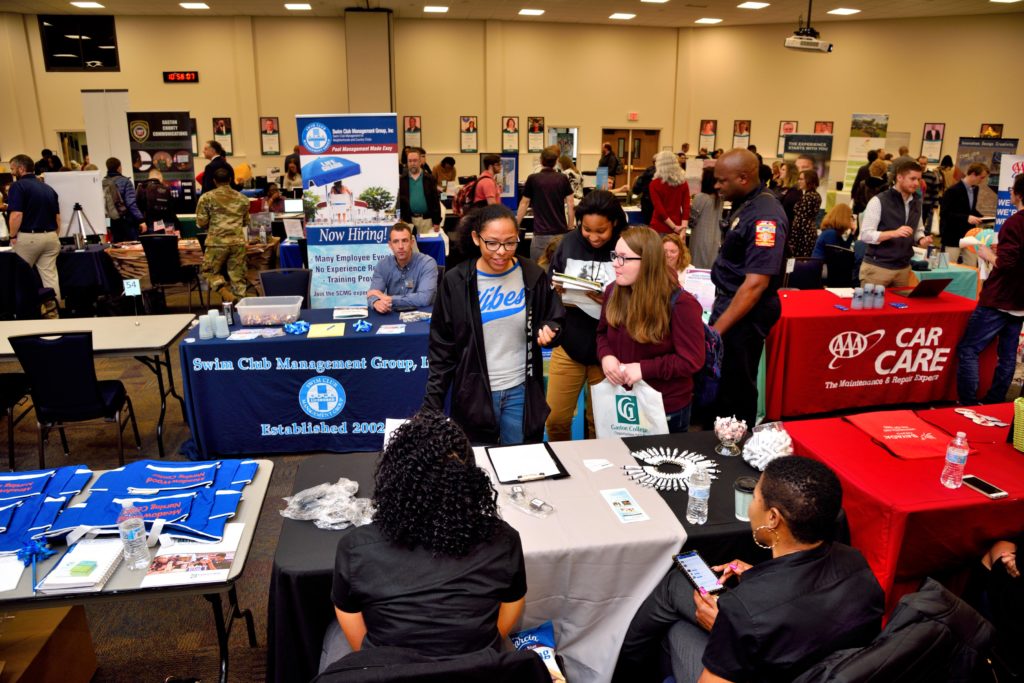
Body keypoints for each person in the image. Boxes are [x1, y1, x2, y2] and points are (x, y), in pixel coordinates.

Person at [613, 456, 884, 683]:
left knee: (676, 631)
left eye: (754, 496)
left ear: (773, 518)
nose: (752, 504)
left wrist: (727, 629)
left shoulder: (746, 609)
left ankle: (621, 673)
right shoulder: (856, 563)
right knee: (675, 586)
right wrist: (760, 580)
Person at [327, 411, 526, 661]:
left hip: (391, 675)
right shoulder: (504, 540)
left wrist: (374, 665)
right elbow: (513, 602)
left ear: (393, 478)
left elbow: (349, 617)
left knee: (331, 635)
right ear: (470, 478)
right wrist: (481, 652)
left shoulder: (356, 548)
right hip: (475, 673)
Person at [422, 205, 564, 445]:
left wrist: (551, 329)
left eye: (510, 243)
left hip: (521, 391)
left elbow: (554, 317)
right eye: (493, 243)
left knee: (519, 468)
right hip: (473, 395)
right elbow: (442, 349)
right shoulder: (456, 282)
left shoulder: (531, 275)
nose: (501, 252)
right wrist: (431, 406)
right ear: (476, 238)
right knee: (477, 468)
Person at [597, 226, 704, 433]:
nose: (615, 264)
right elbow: (602, 333)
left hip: (665, 407)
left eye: (623, 258)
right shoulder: (613, 291)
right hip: (622, 402)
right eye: (614, 256)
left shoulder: (680, 303)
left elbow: (691, 360)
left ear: (647, 262)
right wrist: (606, 356)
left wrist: (643, 368)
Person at [710, 149, 788, 429]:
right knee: (724, 382)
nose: (716, 186)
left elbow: (755, 284)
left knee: (737, 384)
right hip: (731, 303)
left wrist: (716, 332)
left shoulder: (765, 216)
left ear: (743, 178)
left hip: (745, 312)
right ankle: (718, 437)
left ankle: (735, 445)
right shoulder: (747, 204)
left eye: (722, 180)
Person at [545, 190, 625, 442]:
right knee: (555, 418)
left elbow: (642, 296)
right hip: (570, 343)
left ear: (614, 222)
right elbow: (551, 281)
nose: (592, 237)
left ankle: (594, 472)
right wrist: (557, 290)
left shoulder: (627, 245)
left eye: (600, 230)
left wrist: (609, 301)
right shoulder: (568, 243)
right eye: (586, 229)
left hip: (611, 350)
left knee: (600, 424)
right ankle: (564, 467)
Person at [956, 172, 1024, 406]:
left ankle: (968, 403)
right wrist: (1001, 248)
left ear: (1017, 194)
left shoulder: (1015, 222)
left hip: (1000, 297)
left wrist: (988, 254)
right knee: (1006, 357)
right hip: (1019, 301)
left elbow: (1007, 264)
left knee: (969, 349)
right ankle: (995, 403)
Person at [858, 159, 932, 287]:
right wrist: (894, 233)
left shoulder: (917, 203)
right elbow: (865, 235)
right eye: (912, 179)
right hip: (878, 268)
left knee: (902, 307)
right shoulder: (879, 201)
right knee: (873, 307)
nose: (916, 183)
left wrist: (921, 239)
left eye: (919, 179)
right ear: (899, 177)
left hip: (903, 268)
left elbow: (918, 229)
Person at [6, 154, 62, 301]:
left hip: (29, 237)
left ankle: (26, 315)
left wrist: (12, 236)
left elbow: (16, 215)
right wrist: (54, 234)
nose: (11, 173)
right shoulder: (48, 188)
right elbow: (57, 218)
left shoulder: (17, 186)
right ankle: (54, 310)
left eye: (13, 169)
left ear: (21, 168)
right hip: (51, 237)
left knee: (21, 277)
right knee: (50, 277)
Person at [196, 167, 250, 302]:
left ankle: (225, 293)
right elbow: (245, 222)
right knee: (238, 277)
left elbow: (201, 222)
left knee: (208, 272)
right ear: (230, 180)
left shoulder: (206, 198)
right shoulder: (243, 199)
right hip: (237, 242)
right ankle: (240, 306)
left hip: (216, 242)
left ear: (214, 181)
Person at [517, 146, 575, 261]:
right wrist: (570, 225)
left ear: (541, 161)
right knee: (559, 270)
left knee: (537, 269)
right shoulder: (562, 178)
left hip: (540, 234)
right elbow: (570, 203)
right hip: (560, 233)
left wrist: (516, 224)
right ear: (556, 162)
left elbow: (524, 203)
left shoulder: (533, 179)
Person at [366, 222, 438, 313]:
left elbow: (424, 299)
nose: (400, 246)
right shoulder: (383, 265)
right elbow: (373, 294)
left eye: (404, 241)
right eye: (396, 241)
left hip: (422, 316)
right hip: (391, 316)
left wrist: (389, 299)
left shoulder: (427, 263)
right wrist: (376, 302)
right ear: (390, 245)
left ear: (411, 242)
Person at [940, 162, 989, 266]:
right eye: (981, 177)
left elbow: (969, 210)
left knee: (971, 265)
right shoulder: (952, 191)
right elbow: (945, 213)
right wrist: (966, 217)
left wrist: (983, 217)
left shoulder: (975, 189)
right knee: (948, 266)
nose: (982, 181)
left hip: (969, 234)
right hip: (952, 235)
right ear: (973, 174)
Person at [398, 147, 444, 250]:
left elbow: (435, 201)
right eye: (410, 161)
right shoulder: (402, 180)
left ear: (420, 161)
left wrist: (437, 222)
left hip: (426, 221)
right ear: (407, 162)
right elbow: (399, 202)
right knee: (410, 250)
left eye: (415, 161)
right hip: (408, 221)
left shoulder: (430, 179)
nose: (412, 163)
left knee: (426, 249)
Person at [103, 157, 147, 242]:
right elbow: (131, 203)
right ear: (119, 167)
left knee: (117, 248)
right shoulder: (125, 182)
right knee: (132, 247)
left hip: (113, 221)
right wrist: (141, 220)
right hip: (127, 222)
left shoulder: (103, 182)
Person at [648, 150, 690, 237]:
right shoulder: (683, 182)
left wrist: (674, 227)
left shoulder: (654, 184)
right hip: (679, 227)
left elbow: (660, 210)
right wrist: (683, 229)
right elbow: (686, 207)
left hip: (659, 227)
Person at [689, 167, 723, 269]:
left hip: (700, 237)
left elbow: (692, 220)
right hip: (715, 237)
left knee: (697, 266)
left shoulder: (701, 197)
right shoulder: (720, 198)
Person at [789, 169, 822, 258]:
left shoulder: (808, 196)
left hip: (802, 234)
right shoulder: (816, 195)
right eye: (798, 179)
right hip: (809, 231)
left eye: (801, 179)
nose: (799, 181)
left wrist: (792, 240)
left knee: (798, 262)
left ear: (809, 180)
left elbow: (800, 220)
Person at [851, 149, 879, 215]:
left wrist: (853, 195)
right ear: (877, 157)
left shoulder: (862, 169)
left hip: (862, 200)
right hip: (875, 200)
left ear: (867, 157)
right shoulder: (880, 169)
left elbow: (856, 183)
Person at [631, 156, 657, 225]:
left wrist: (635, 193)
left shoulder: (647, 171)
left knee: (647, 222)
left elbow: (637, 187)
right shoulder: (663, 173)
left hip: (646, 201)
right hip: (657, 202)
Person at [920, 155, 942, 234]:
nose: (922, 165)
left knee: (926, 225)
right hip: (915, 203)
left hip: (927, 204)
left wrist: (935, 205)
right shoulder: (915, 174)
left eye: (924, 164)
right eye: (921, 163)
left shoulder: (932, 175)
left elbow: (935, 191)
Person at [777, 162, 801, 227]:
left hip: (786, 223)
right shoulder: (779, 187)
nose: (780, 171)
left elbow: (788, 208)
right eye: (781, 169)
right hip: (777, 220)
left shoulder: (795, 190)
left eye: (783, 170)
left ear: (790, 173)